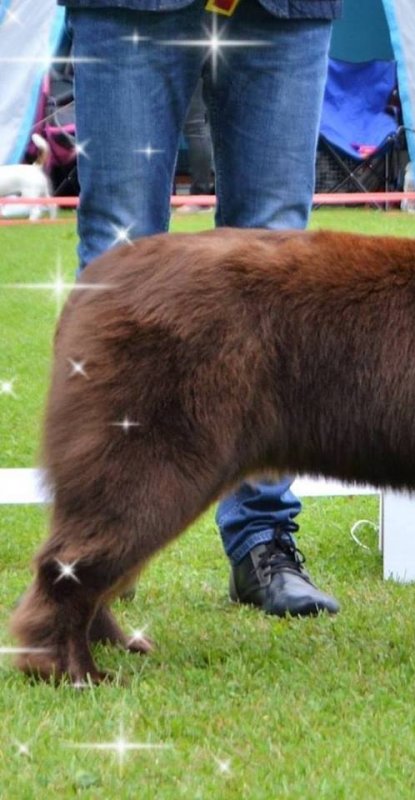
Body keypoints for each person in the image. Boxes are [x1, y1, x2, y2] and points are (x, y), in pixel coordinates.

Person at [64, 0, 342, 617]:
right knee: (120, 248)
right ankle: (99, 537)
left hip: (285, 11)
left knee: (278, 263)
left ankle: (261, 538)